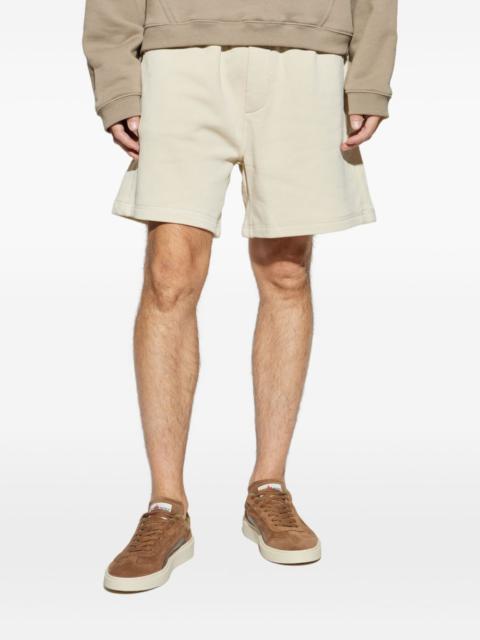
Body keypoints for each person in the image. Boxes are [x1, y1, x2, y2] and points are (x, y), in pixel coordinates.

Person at [83, 0, 397, 592]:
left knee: (286, 271)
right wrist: (116, 78)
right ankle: (166, 506)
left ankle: (269, 488)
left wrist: (370, 74)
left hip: (309, 54)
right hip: (177, 53)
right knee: (170, 274)